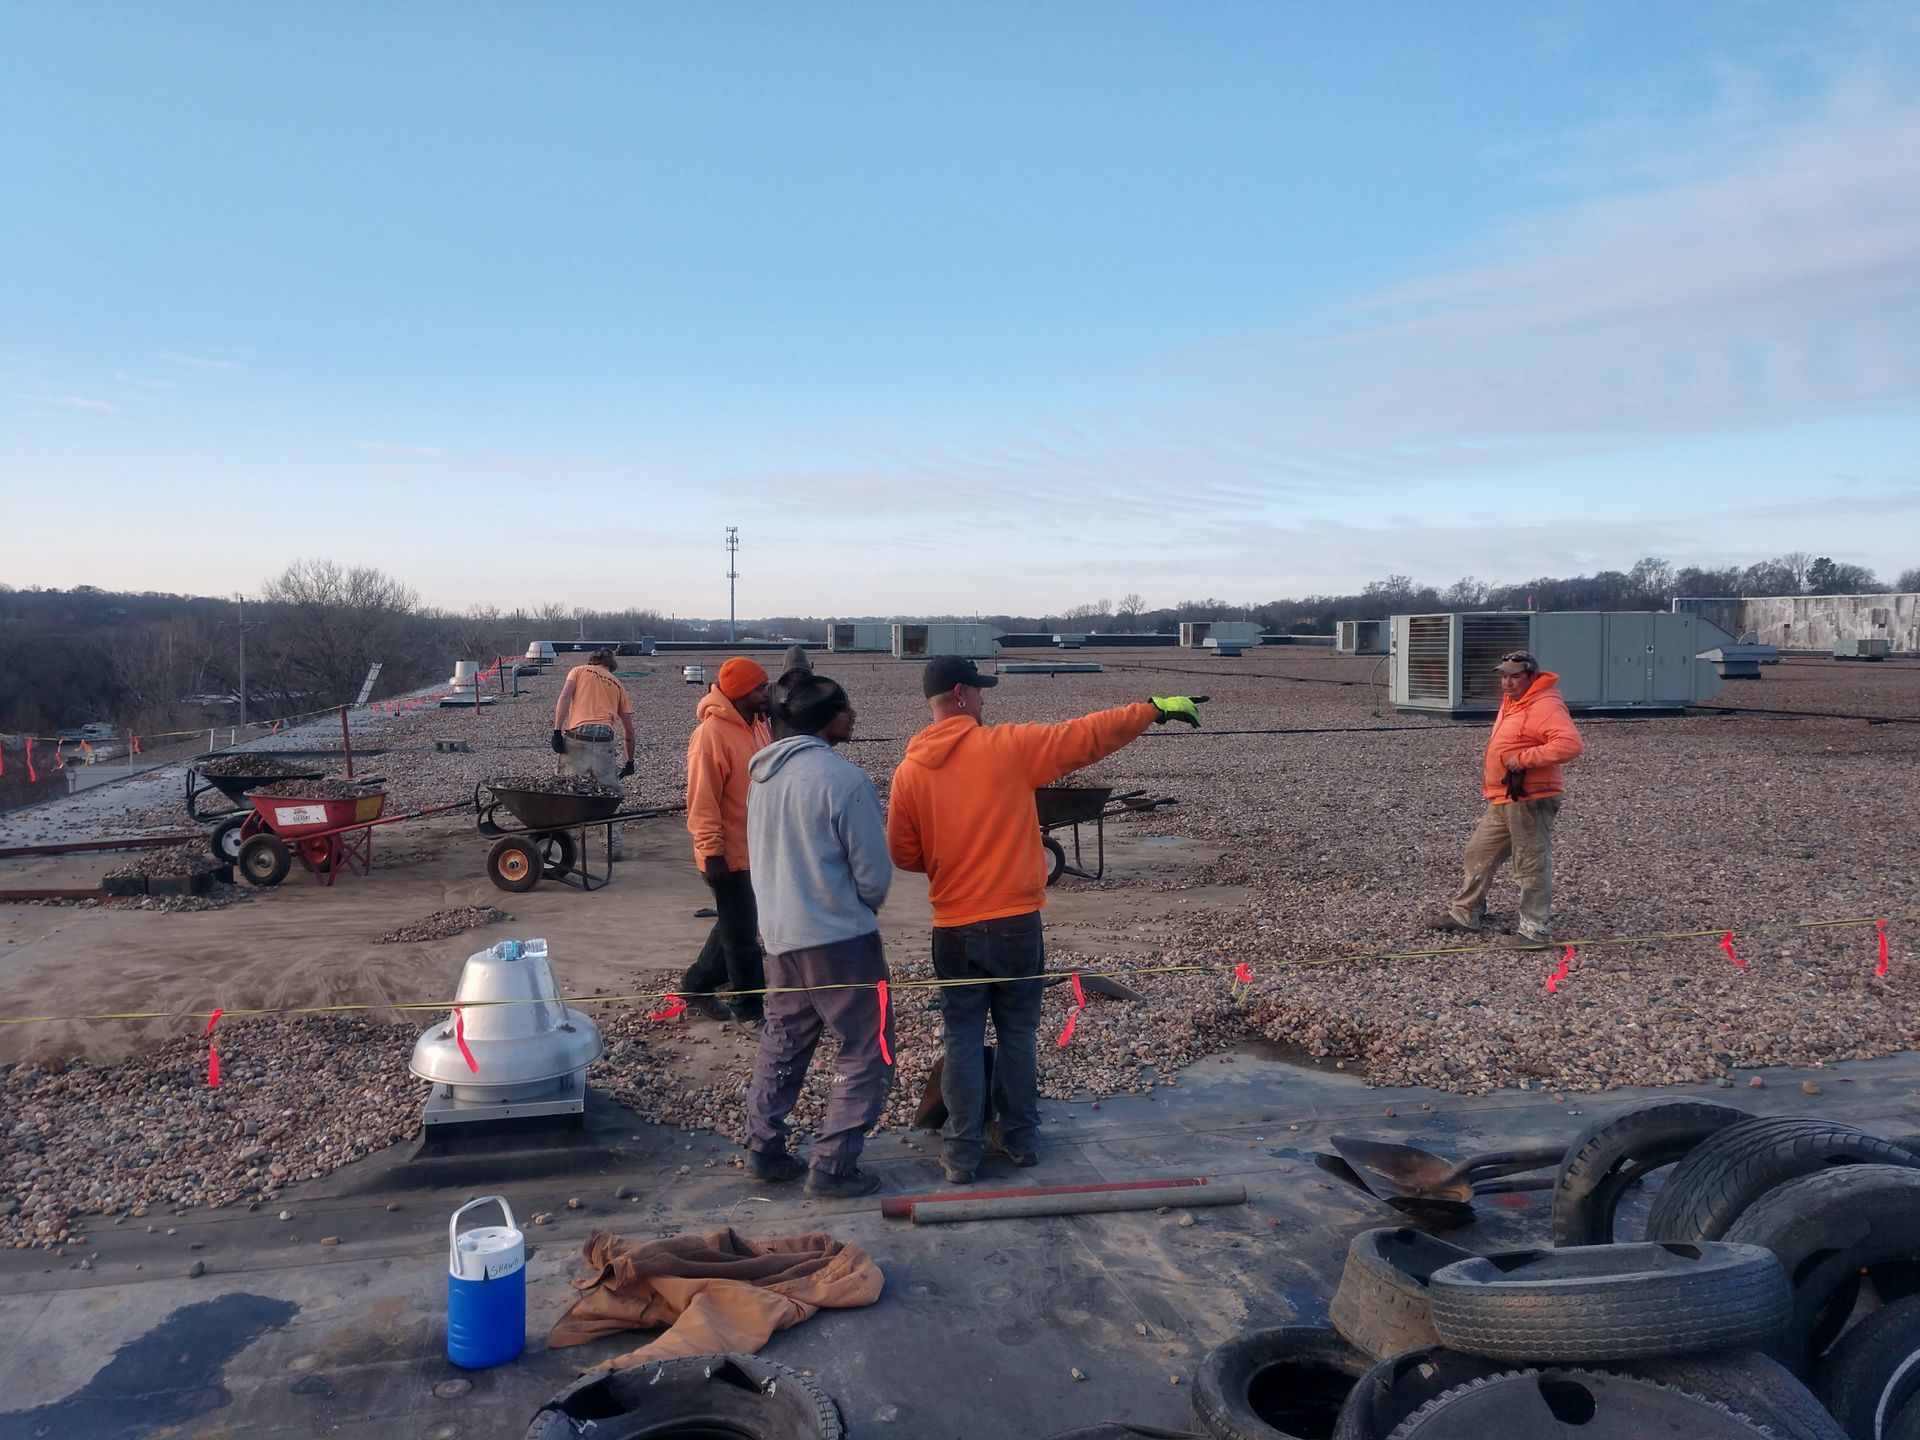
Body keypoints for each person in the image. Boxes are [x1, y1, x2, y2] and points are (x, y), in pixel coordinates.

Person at [887, 656, 1205, 1184]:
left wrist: (948, 864)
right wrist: (1150, 710)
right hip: (1015, 923)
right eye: (981, 692)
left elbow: (903, 852)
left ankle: (961, 1154)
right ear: (962, 695)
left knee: (962, 1039)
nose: (986, 701)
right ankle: (1020, 1138)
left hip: (955, 925)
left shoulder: (911, 769)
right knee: (1017, 1034)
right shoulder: (1007, 748)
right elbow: (1084, 737)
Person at [742, 673, 893, 1198]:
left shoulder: (761, 777)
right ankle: (832, 1166)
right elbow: (873, 878)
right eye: (847, 706)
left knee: (783, 1042)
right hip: (840, 942)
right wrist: (855, 909)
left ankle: (764, 1149)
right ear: (827, 719)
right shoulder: (845, 781)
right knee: (867, 1048)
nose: (853, 715)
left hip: (781, 938)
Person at [1429, 650, 1584, 945]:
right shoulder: (1515, 702)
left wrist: (1524, 758)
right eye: (1503, 675)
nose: (1507, 682)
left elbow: (1570, 745)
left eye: (1515, 676)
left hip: (1530, 798)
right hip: (1505, 796)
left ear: (1532, 677)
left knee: (1530, 863)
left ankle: (1534, 930)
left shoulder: (1545, 704)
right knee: (1478, 852)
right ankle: (1466, 913)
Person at [681, 657, 773, 1027]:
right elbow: (702, 801)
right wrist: (711, 853)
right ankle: (749, 1011)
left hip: (757, 850)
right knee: (742, 938)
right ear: (740, 693)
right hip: (727, 854)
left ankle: (696, 985)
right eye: (761, 689)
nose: (767, 694)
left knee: (735, 925)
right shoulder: (710, 736)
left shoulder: (757, 727)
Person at [549, 649, 636, 859]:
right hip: (605, 738)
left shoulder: (578, 671)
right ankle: (613, 846)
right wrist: (630, 760)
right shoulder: (617, 684)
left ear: (593, 661)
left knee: (567, 791)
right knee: (607, 794)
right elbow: (628, 731)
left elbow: (564, 697)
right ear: (610, 664)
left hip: (577, 736)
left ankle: (557, 843)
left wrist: (557, 731)